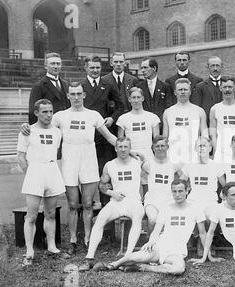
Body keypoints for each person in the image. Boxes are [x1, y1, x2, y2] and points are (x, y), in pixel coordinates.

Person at [51, 82, 121, 255]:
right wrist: (27, 130)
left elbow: (110, 136)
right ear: (68, 96)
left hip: (88, 161)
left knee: (88, 204)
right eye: (72, 94)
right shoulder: (60, 116)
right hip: (69, 162)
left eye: (79, 94)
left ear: (84, 95)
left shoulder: (93, 115)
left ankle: (88, 239)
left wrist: (127, 148)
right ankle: (73, 240)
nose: (76, 97)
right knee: (73, 204)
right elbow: (45, 132)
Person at [101, 179, 220, 274]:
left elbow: (203, 234)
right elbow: (157, 231)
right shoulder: (167, 208)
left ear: (187, 191)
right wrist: (151, 242)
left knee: (178, 269)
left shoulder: (195, 209)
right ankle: (113, 265)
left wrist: (206, 256)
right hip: (160, 246)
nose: (177, 195)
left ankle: (146, 268)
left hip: (177, 250)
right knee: (135, 257)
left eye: (180, 191)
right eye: (174, 191)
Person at [78, 137, 147, 271]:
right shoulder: (110, 165)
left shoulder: (137, 162)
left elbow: (149, 162)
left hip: (133, 201)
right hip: (116, 201)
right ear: (115, 148)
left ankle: (128, 257)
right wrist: (111, 193)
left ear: (130, 148)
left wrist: (137, 153)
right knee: (100, 220)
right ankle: (89, 258)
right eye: (120, 147)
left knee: (137, 218)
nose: (123, 149)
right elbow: (101, 184)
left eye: (126, 147)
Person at [17, 99, 66, 266]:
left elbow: (55, 153)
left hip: (52, 171)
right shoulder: (27, 131)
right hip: (35, 172)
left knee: (51, 213)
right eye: (45, 112)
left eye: (51, 111)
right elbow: (21, 157)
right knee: (31, 215)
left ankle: (51, 246)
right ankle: (29, 251)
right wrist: (30, 174)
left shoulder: (57, 132)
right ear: (36, 112)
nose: (49, 115)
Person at [81, 55, 125, 208]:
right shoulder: (80, 87)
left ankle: (108, 210)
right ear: (86, 68)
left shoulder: (108, 85)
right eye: (92, 67)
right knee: (85, 175)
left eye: (98, 68)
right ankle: (86, 212)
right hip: (85, 138)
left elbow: (121, 106)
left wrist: (112, 118)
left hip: (104, 139)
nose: (95, 70)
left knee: (105, 174)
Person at [116, 87, 160, 195]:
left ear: (143, 98)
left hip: (148, 153)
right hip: (130, 154)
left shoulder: (152, 117)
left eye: (138, 97)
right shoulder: (123, 118)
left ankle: (147, 205)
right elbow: (120, 141)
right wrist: (127, 153)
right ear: (129, 99)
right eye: (133, 98)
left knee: (148, 183)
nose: (136, 100)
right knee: (131, 184)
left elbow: (157, 140)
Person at [143, 136, 182, 236]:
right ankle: (150, 244)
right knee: (153, 219)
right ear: (153, 148)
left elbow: (184, 178)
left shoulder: (174, 163)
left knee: (169, 220)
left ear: (167, 147)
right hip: (152, 200)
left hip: (168, 200)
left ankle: (165, 244)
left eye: (163, 146)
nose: (160, 148)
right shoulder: (147, 164)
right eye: (157, 146)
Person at [163, 78, 208, 164]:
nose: (183, 92)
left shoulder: (199, 111)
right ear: (175, 92)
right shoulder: (168, 112)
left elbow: (205, 137)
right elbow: (165, 138)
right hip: (173, 157)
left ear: (190, 92)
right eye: (180, 90)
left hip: (194, 157)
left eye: (185, 89)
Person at [179, 136, 223, 220]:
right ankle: (194, 233)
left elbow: (225, 185)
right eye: (199, 146)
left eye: (204, 146)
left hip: (211, 200)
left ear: (210, 148)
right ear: (195, 148)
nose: (202, 148)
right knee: (189, 217)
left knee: (210, 218)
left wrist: (223, 196)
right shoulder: (190, 164)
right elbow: (179, 183)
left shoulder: (216, 165)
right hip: (193, 200)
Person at [28, 52, 70, 125]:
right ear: (45, 66)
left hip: (65, 125)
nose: (56, 66)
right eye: (52, 63)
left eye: (58, 64)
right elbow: (33, 112)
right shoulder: (39, 86)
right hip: (48, 126)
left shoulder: (65, 84)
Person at [136, 57, 172, 131]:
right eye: (141, 68)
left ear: (154, 68)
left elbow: (168, 107)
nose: (142, 70)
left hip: (162, 126)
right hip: (144, 126)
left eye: (145, 67)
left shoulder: (165, 86)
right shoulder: (139, 87)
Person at [190, 56, 223, 124]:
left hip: (225, 123)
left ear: (222, 66)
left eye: (217, 65)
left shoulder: (227, 84)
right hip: (207, 124)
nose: (215, 68)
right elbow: (197, 109)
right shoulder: (200, 86)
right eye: (212, 66)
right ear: (207, 67)